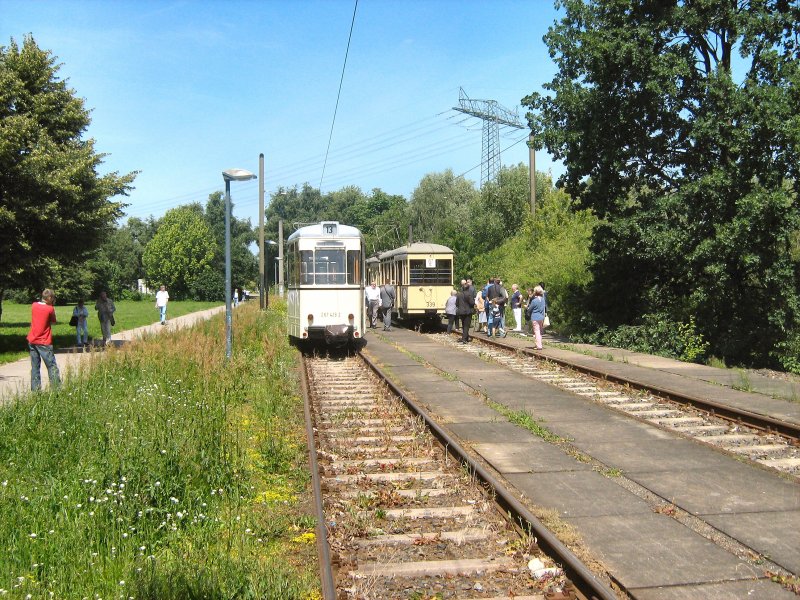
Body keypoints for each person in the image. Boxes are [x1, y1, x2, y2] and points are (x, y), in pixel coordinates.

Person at [27, 288, 61, 391]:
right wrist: (51, 306)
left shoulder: (34, 305)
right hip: (44, 341)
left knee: (35, 367)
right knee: (51, 366)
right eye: (53, 298)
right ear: (49, 298)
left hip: (32, 339)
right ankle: (56, 389)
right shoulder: (50, 309)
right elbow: (54, 321)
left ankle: (36, 391)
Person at [526, 285, 547, 350]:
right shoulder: (543, 300)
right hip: (541, 317)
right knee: (540, 331)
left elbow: (530, 309)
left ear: (535, 292)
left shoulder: (534, 301)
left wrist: (527, 308)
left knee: (536, 331)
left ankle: (539, 345)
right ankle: (538, 344)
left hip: (535, 317)